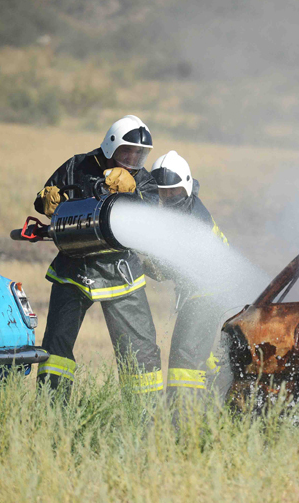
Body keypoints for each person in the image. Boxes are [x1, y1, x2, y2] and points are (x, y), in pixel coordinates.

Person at [34, 115, 163, 396]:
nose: (132, 161)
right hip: (73, 268)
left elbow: (153, 215)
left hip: (121, 274)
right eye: (126, 152)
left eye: (139, 155)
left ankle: (143, 412)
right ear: (110, 146)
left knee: (139, 351)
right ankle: (51, 407)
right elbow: (44, 199)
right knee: (56, 346)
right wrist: (46, 200)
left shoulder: (143, 181)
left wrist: (132, 193)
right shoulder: (77, 166)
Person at [146, 150, 228, 399]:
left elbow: (167, 268)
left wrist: (144, 263)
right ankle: (219, 396)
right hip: (203, 292)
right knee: (204, 357)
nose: (169, 198)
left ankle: (182, 414)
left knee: (185, 359)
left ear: (187, 187)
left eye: (174, 191)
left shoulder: (193, 221)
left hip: (208, 293)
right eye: (163, 192)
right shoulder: (182, 210)